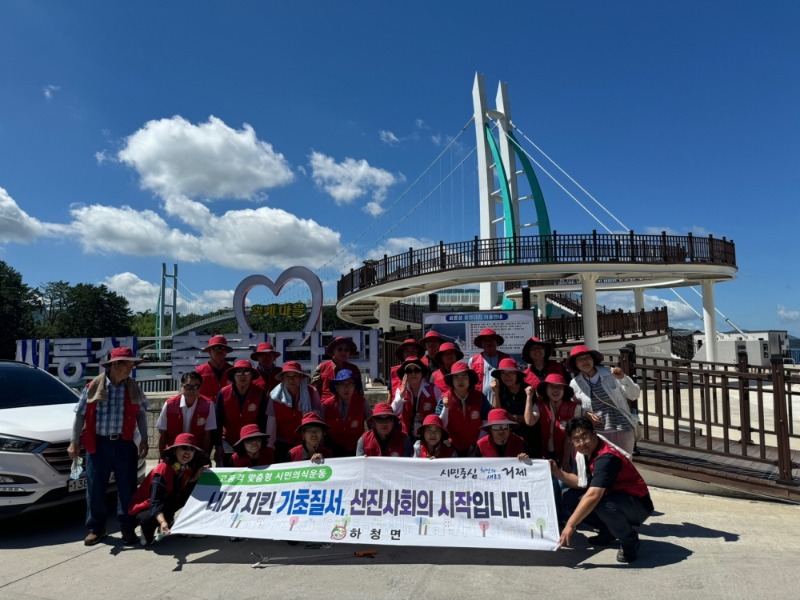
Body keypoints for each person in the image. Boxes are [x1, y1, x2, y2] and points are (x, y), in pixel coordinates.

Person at [67, 346, 149, 546]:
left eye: (132, 364)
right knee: (95, 488)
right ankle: (96, 528)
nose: (131, 368)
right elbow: (80, 415)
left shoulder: (132, 387)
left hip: (124, 443)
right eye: (127, 364)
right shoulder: (93, 386)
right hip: (99, 444)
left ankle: (128, 528)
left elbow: (140, 414)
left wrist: (145, 439)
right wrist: (74, 441)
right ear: (115, 365)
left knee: (127, 488)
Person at [551, 416, 654, 563]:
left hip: (637, 504)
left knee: (600, 504)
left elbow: (593, 495)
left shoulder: (607, 457)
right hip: (615, 497)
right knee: (570, 497)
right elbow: (582, 483)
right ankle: (608, 531)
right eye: (576, 439)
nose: (582, 443)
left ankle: (629, 540)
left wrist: (570, 525)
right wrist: (556, 472)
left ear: (594, 433)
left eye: (585, 436)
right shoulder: (583, 454)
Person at [128, 432, 205, 546]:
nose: (187, 452)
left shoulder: (183, 467)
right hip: (145, 507)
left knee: (187, 495)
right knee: (148, 529)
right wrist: (163, 521)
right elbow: (155, 502)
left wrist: (196, 477)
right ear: (175, 450)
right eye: (184, 448)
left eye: (191, 449)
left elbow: (181, 492)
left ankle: (167, 520)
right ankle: (147, 529)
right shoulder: (162, 470)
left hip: (164, 503)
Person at [568, 345, 640, 455]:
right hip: (598, 431)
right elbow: (574, 407)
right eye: (580, 359)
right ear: (575, 364)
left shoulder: (610, 373)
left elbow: (634, 395)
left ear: (593, 359)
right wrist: (585, 413)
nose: (585, 361)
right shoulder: (575, 384)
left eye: (587, 357)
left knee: (624, 463)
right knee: (603, 463)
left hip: (623, 427)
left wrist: (623, 378)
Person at [213, 359, 276, 467]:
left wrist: (263, 446)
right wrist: (218, 446)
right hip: (228, 441)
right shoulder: (223, 393)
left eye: (246, 372)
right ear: (233, 375)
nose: (242, 376)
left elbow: (263, 422)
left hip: (252, 442)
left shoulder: (261, 393)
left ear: (251, 375)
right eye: (238, 372)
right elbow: (218, 422)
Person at [434, 362, 492, 456]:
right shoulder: (444, 398)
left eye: (464, 377)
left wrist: (478, 443)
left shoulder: (479, 397)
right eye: (456, 377)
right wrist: (446, 407)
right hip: (451, 445)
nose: (460, 381)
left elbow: (486, 421)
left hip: (476, 445)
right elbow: (440, 424)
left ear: (469, 380)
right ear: (452, 381)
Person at [270, 361, 323, 462]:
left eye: (295, 376)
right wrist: (270, 447)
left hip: (305, 443)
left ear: (301, 378)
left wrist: (317, 445)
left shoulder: (312, 392)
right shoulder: (274, 396)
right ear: (283, 378)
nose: (291, 380)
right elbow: (270, 424)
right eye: (287, 376)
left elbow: (316, 420)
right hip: (281, 442)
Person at [156, 371, 216, 459]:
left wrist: (205, 457)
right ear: (181, 387)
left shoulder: (208, 405)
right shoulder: (169, 404)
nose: (192, 390)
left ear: (200, 387)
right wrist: (163, 456)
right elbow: (162, 433)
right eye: (188, 386)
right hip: (173, 452)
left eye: (196, 386)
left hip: (196, 453)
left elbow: (208, 435)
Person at [529, 374, 582, 468]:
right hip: (545, 451)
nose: (555, 390)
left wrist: (565, 460)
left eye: (559, 387)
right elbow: (530, 421)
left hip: (568, 453)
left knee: (563, 482)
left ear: (564, 390)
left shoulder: (575, 408)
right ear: (546, 389)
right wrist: (529, 397)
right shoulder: (539, 405)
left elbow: (572, 435)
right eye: (551, 387)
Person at [490, 358, 540, 454]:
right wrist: (495, 392)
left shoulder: (528, 390)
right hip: (509, 436)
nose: (507, 376)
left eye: (511, 373)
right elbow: (499, 416)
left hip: (530, 436)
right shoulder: (499, 390)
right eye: (503, 373)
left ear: (517, 375)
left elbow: (529, 420)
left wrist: (510, 416)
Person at [322, 369, 372, 457]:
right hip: (332, 449)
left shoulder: (362, 403)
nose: (346, 388)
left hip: (356, 448)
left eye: (350, 384)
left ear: (355, 386)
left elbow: (372, 426)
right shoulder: (327, 405)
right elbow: (320, 430)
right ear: (336, 388)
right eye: (342, 384)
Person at [390, 356, 441, 440]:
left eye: (416, 370)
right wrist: (401, 395)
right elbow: (393, 412)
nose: (413, 374)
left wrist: (427, 418)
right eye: (409, 371)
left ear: (422, 373)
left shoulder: (434, 389)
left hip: (428, 436)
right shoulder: (401, 390)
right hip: (405, 435)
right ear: (405, 375)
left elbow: (441, 410)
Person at [311, 336, 363, 403]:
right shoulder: (322, 367)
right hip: (326, 407)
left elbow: (359, 391)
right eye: (340, 349)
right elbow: (313, 391)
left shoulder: (354, 369)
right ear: (333, 351)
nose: (343, 352)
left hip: (349, 407)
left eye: (346, 350)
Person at [467, 328, 510, 405]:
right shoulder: (473, 360)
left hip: (504, 400)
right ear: (481, 344)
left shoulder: (507, 359)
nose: (488, 343)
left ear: (496, 342)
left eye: (491, 340)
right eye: (485, 341)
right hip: (479, 401)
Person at [195, 335, 234, 399]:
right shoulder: (199, 371)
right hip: (206, 408)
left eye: (223, 348)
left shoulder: (233, 371)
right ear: (209, 351)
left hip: (227, 408)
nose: (220, 351)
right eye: (215, 348)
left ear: (226, 352)